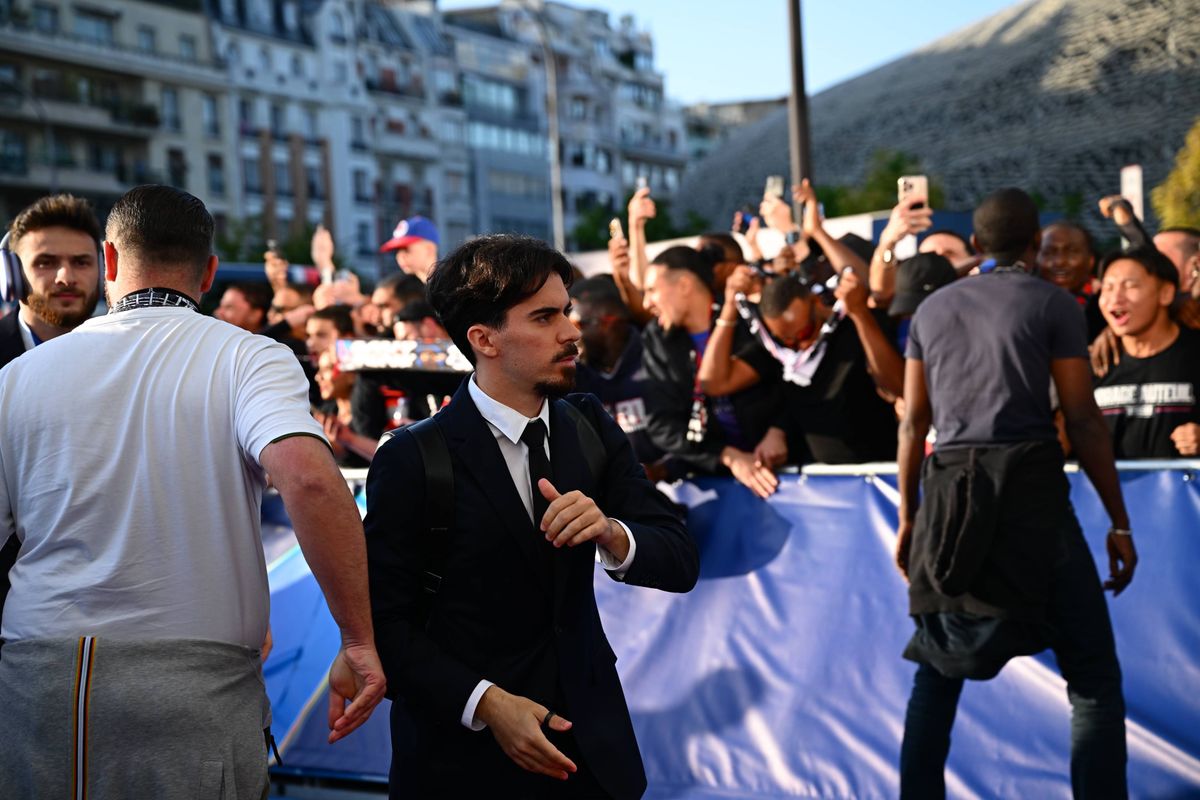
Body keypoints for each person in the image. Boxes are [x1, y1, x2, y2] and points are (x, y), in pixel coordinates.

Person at [0, 185, 385, 798]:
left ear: (109, 262)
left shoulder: (18, 376)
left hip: (45, 677)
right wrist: (358, 639)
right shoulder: (250, 358)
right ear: (208, 272)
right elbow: (310, 478)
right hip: (196, 679)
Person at [364, 234, 698, 799]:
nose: (571, 331)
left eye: (565, 311)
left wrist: (611, 533)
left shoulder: (589, 424)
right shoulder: (413, 457)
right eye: (544, 317)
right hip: (462, 768)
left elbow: (679, 557)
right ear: (483, 339)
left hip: (591, 759)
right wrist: (487, 704)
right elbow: (380, 628)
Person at [895, 188, 1136, 799]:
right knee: (1093, 681)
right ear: (1036, 244)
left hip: (949, 502)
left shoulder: (931, 312)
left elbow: (912, 423)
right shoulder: (1053, 303)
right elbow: (1082, 419)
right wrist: (1119, 522)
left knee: (937, 674)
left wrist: (909, 517)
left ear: (975, 245)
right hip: (1033, 499)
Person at [0, 193, 104, 624]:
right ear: (9, 275)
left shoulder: (128, 363)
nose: (66, 276)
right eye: (45, 262)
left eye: (82, 262)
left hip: (105, 612)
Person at [641, 245, 783, 497]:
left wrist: (780, 429)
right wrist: (725, 456)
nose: (646, 302)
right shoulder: (656, 338)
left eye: (652, 290)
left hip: (784, 471)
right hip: (712, 478)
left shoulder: (747, 316)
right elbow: (662, 425)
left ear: (684, 285)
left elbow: (790, 380)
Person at [1093, 246, 1200, 457]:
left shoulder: (1194, 353)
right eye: (1107, 288)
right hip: (1109, 490)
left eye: (1130, 286)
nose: (1116, 298)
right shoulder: (1094, 363)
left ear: (1166, 293)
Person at [569, 277, 667, 471]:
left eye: (579, 325)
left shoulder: (657, 355)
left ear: (608, 323)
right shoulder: (572, 375)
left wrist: (664, 469)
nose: (570, 334)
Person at [1038, 221, 1105, 341]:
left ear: (1090, 261)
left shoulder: (1108, 305)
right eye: (1049, 253)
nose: (1059, 261)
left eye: (1072, 252)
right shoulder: (1026, 307)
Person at [380, 215, 440, 282]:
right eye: (397, 251)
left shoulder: (451, 285)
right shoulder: (399, 289)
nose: (400, 256)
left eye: (406, 249)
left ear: (429, 249)